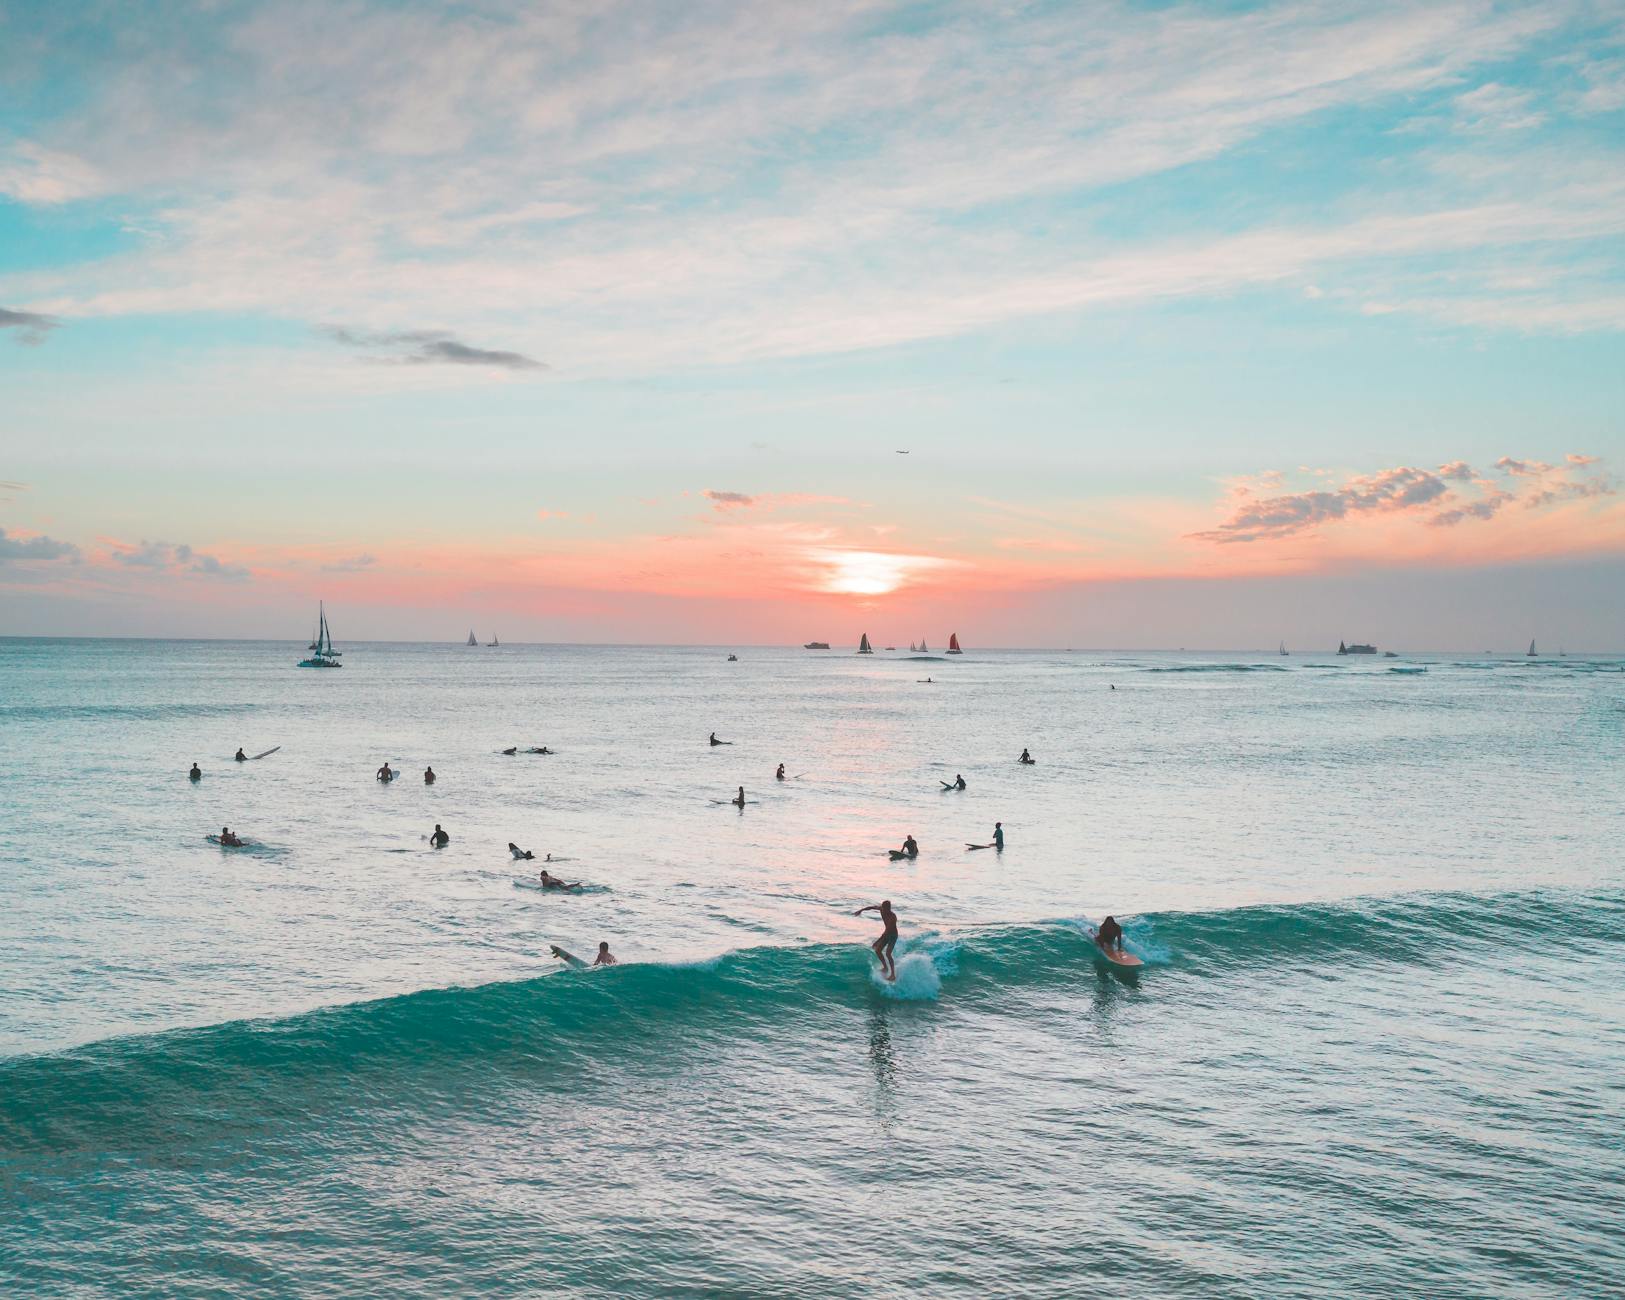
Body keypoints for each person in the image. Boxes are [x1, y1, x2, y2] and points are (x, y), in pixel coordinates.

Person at [854, 899, 900, 982]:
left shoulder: (893, 917)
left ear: (889, 909)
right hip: (886, 934)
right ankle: (885, 967)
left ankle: (893, 975)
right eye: (883, 908)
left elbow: (888, 931)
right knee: (878, 951)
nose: (884, 911)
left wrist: (878, 941)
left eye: (886, 909)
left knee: (888, 953)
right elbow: (872, 907)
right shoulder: (881, 909)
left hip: (893, 935)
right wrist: (861, 910)